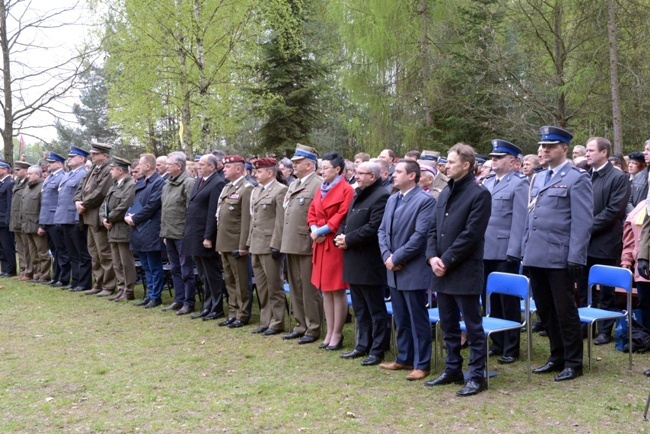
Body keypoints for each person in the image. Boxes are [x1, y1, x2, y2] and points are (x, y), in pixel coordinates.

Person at [522, 126, 593, 382]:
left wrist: (576, 256)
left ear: (564, 149)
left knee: (565, 310)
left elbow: (583, 222)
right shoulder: (538, 178)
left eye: (550, 146)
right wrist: (524, 249)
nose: (543, 150)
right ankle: (556, 355)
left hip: (560, 256)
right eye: (542, 146)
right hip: (536, 254)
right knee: (545, 309)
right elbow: (532, 218)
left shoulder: (577, 177)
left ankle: (573, 362)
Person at [424, 144, 491, 396]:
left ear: (466, 165)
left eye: (451, 162)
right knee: (448, 324)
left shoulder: (479, 194)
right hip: (440, 269)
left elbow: (471, 234)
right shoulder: (445, 192)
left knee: (472, 327)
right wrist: (432, 257)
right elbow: (433, 228)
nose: (446, 166)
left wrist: (447, 260)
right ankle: (452, 368)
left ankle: (477, 375)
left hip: (463, 270)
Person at [377, 160, 435, 381]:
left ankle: (422, 363)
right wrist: (386, 257)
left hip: (412, 268)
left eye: (399, 171)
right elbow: (382, 231)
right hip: (393, 268)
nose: (394, 175)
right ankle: (404, 357)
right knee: (401, 317)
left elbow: (420, 237)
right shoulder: (393, 199)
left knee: (417, 318)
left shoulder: (425, 201)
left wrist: (396, 257)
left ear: (412, 176)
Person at [335, 161, 389, 366]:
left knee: (375, 309)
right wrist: (340, 235)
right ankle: (362, 345)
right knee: (360, 308)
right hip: (353, 259)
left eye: (360, 173)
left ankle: (377, 349)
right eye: (355, 173)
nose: (356, 176)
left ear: (372, 177)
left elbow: (374, 227)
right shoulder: (358, 193)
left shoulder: (382, 196)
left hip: (369, 261)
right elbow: (346, 221)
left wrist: (348, 239)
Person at [576, 137, 630, 345]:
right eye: (586, 150)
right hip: (582, 243)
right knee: (582, 287)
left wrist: (585, 227)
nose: (586, 154)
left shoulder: (618, 177)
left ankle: (604, 330)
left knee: (605, 289)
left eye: (590, 150)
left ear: (604, 152)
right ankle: (583, 326)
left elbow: (614, 211)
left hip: (605, 242)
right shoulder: (584, 176)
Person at [481, 140, 528, 364]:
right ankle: (497, 342)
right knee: (490, 299)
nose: (493, 160)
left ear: (512, 161)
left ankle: (511, 347)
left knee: (507, 301)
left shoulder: (519, 184)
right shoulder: (488, 183)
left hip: (505, 250)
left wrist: (514, 251)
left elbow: (520, 221)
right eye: (492, 157)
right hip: (485, 250)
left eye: (498, 157)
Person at [308, 152, 354, 351]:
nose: (322, 171)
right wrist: (313, 230)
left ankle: (337, 333)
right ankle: (328, 332)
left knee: (337, 289)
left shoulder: (346, 189)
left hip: (334, 244)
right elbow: (311, 211)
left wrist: (322, 230)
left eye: (326, 167)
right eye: (322, 167)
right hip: (319, 242)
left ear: (338, 169)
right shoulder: (321, 188)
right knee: (325, 290)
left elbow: (342, 214)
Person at [280, 144, 324, 345]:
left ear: (309, 164)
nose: (294, 165)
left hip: (306, 242)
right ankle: (300, 325)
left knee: (309, 287)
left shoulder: (318, 184)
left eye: (298, 162)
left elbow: (319, 215)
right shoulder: (294, 184)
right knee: (295, 286)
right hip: (291, 241)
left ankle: (313, 326)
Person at [248, 158, 288, 335]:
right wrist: (249, 241)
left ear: (270, 173)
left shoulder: (280, 190)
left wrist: (277, 244)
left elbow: (281, 221)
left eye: (259, 171)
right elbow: (253, 219)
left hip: (270, 244)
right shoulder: (256, 191)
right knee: (262, 287)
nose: (255, 174)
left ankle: (277, 321)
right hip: (256, 244)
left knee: (274, 285)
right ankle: (265, 320)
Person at [184, 154, 226, 321]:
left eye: (201, 164)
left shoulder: (217, 183)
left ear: (212, 166)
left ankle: (216, 308)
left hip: (205, 235)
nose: (198, 167)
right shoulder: (199, 181)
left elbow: (212, 213)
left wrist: (209, 237)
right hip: (195, 233)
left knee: (212, 273)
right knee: (202, 274)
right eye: (197, 164)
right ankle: (207, 306)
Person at [216, 155, 254, 328]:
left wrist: (243, 245)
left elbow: (246, 220)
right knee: (229, 279)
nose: (224, 169)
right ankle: (233, 311)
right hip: (224, 240)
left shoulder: (246, 188)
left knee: (240, 280)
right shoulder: (227, 188)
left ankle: (243, 313)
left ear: (238, 169)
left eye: (228, 166)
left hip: (236, 242)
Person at [74, 141, 116, 296]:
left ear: (105, 155)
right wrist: (77, 200)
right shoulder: (93, 168)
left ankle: (109, 285)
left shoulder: (107, 169)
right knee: (93, 252)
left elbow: (101, 192)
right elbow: (81, 187)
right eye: (92, 153)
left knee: (104, 252)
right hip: (87, 216)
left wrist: (84, 203)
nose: (92, 155)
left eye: (95, 153)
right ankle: (98, 283)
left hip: (97, 215)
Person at [160, 151, 197, 315]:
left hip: (182, 234)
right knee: (175, 268)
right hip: (170, 233)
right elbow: (165, 209)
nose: (167, 167)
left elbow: (191, 210)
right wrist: (164, 233)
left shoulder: (188, 183)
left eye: (169, 164)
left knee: (186, 270)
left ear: (179, 166)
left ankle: (189, 302)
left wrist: (188, 233)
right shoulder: (168, 183)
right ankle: (179, 299)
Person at [126, 153, 165, 307]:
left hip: (150, 228)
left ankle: (156, 296)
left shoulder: (158, 183)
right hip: (139, 230)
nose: (138, 167)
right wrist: (127, 214)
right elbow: (134, 202)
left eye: (140, 165)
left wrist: (134, 218)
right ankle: (149, 294)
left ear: (148, 166)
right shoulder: (142, 182)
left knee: (154, 265)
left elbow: (152, 205)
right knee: (146, 265)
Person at [100, 157, 137, 302]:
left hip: (122, 228)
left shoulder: (130, 185)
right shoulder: (114, 185)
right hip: (112, 229)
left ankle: (129, 289)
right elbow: (104, 204)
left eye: (112, 169)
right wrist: (103, 218)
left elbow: (124, 206)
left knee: (126, 261)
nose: (110, 172)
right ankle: (121, 287)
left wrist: (108, 219)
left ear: (120, 170)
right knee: (116, 261)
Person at [56, 147, 92, 292]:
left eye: (73, 157)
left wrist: (78, 218)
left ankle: (84, 282)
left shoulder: (84, 174)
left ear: (81, 159)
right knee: (72, 253)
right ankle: (76, 280)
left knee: (81, 252)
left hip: (75, 218)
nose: (69, 159)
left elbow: (81, 197)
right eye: (69, 157)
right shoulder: (68, 175)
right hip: (65, 218)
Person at [39, 152, 70, 287]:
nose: (48, 164)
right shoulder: (50, 178)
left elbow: (60, 200)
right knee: (54, 250)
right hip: (47, 218)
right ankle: (56, 276)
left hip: (55, 218)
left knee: (60, 250)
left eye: (51, 162)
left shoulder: (62, 177)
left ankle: (63, 278)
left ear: (59, 164)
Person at [622, 199, 650, 331]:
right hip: (642, 268)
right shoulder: (640, 207)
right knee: (645, 303)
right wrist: (626, 261)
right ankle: (645, 337)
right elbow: (629, 240)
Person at [23, 165, 51, 282]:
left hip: (37, 224)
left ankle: (45, 275)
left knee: (42, 252)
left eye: (30, 174)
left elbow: (44, 207)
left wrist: (42, 225)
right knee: (33, 253)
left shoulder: (42, 186)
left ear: (38, 174)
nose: (27, 176)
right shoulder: (28, 187)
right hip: (27, 224)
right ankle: (37, 274)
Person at [9, 161, 30, 280]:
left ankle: (28, 271)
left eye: (18, 170)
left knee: (27, 248)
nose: (16, 172)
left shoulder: (28, 184)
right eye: (15, 170)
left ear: (26, 171)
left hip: (24, 219)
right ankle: (23, 270)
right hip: (16, 219)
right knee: (20, 248)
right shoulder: (17, 183)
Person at [0, 160, 16, 277]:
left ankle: (11, 269)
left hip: (4, 220)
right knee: (1, 247)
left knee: (7, 246)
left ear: (5, 169)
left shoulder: (9, 183)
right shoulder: (1, 183)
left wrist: (8, 220)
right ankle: (4, 269)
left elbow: (10, 204)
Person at [628, 145, 649, 214]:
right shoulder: (637, 177)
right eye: (629, 163)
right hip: (636, 217)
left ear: (642, 165)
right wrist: (635, 213)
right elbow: (628, 200)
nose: (630, 165)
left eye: (634, 163)